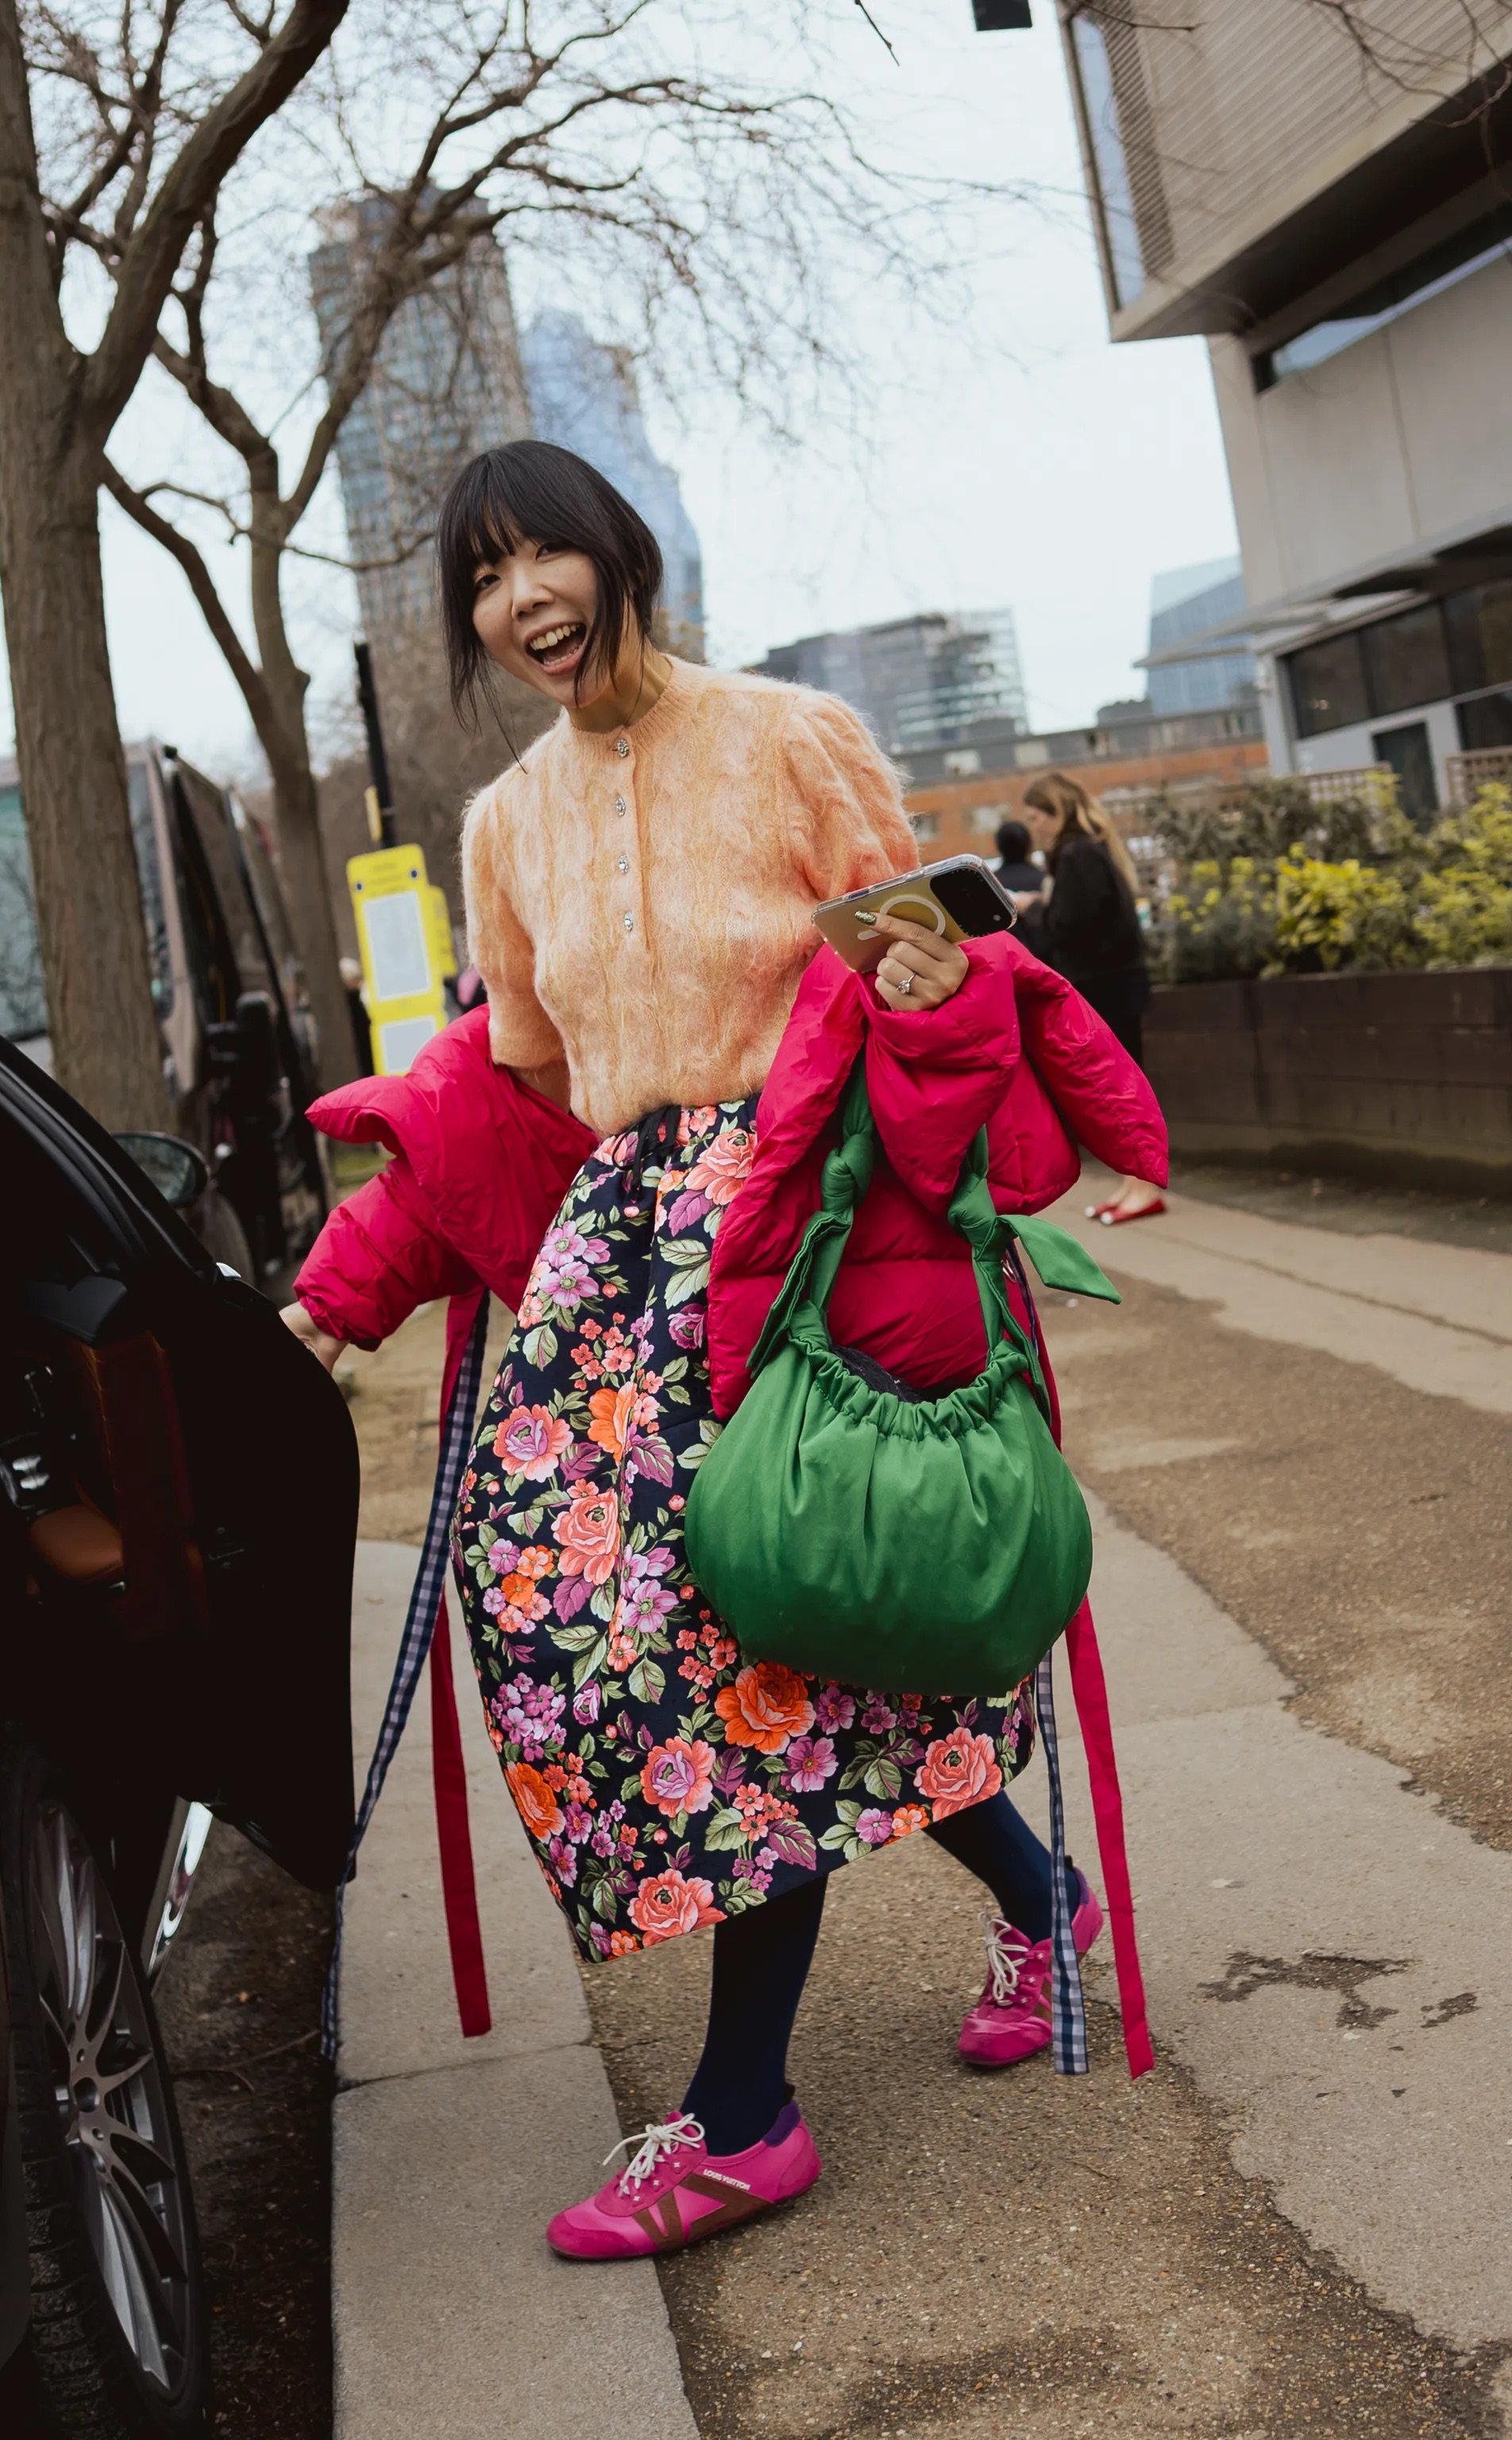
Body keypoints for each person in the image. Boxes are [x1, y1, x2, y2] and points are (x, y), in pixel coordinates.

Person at [284, 442, 1164, 2261]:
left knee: (755, 1635)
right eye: (481, 573)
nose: (519, 595)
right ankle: (1031, 1887)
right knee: (604, 1625)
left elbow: (921, 966)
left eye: (544, 552)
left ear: (620, 554)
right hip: (616, 1249)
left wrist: (958, 1091)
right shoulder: (504, 817)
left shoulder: (789, 733)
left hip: (795, 1225)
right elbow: (500, 1078)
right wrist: (345, 1276)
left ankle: (744, 2110)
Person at [1018, 770, 1166, 1225]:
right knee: (1120, 1086)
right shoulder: (1089, 849)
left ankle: (1144, 1189)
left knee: (1122, 1089)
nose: (1035, 827)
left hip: (1106, 985)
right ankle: (1134, 1185)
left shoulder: (1075, 854)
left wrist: (1034, 908)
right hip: (1114, 982)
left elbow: (1071, 925)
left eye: (1037, 816)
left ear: (1055, 812)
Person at [990, 815, 1047, 956]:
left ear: (999, 846)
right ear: (1028, 844)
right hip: (1046, 960)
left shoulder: (991, 884)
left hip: (1009, 959)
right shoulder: (1044, 880)